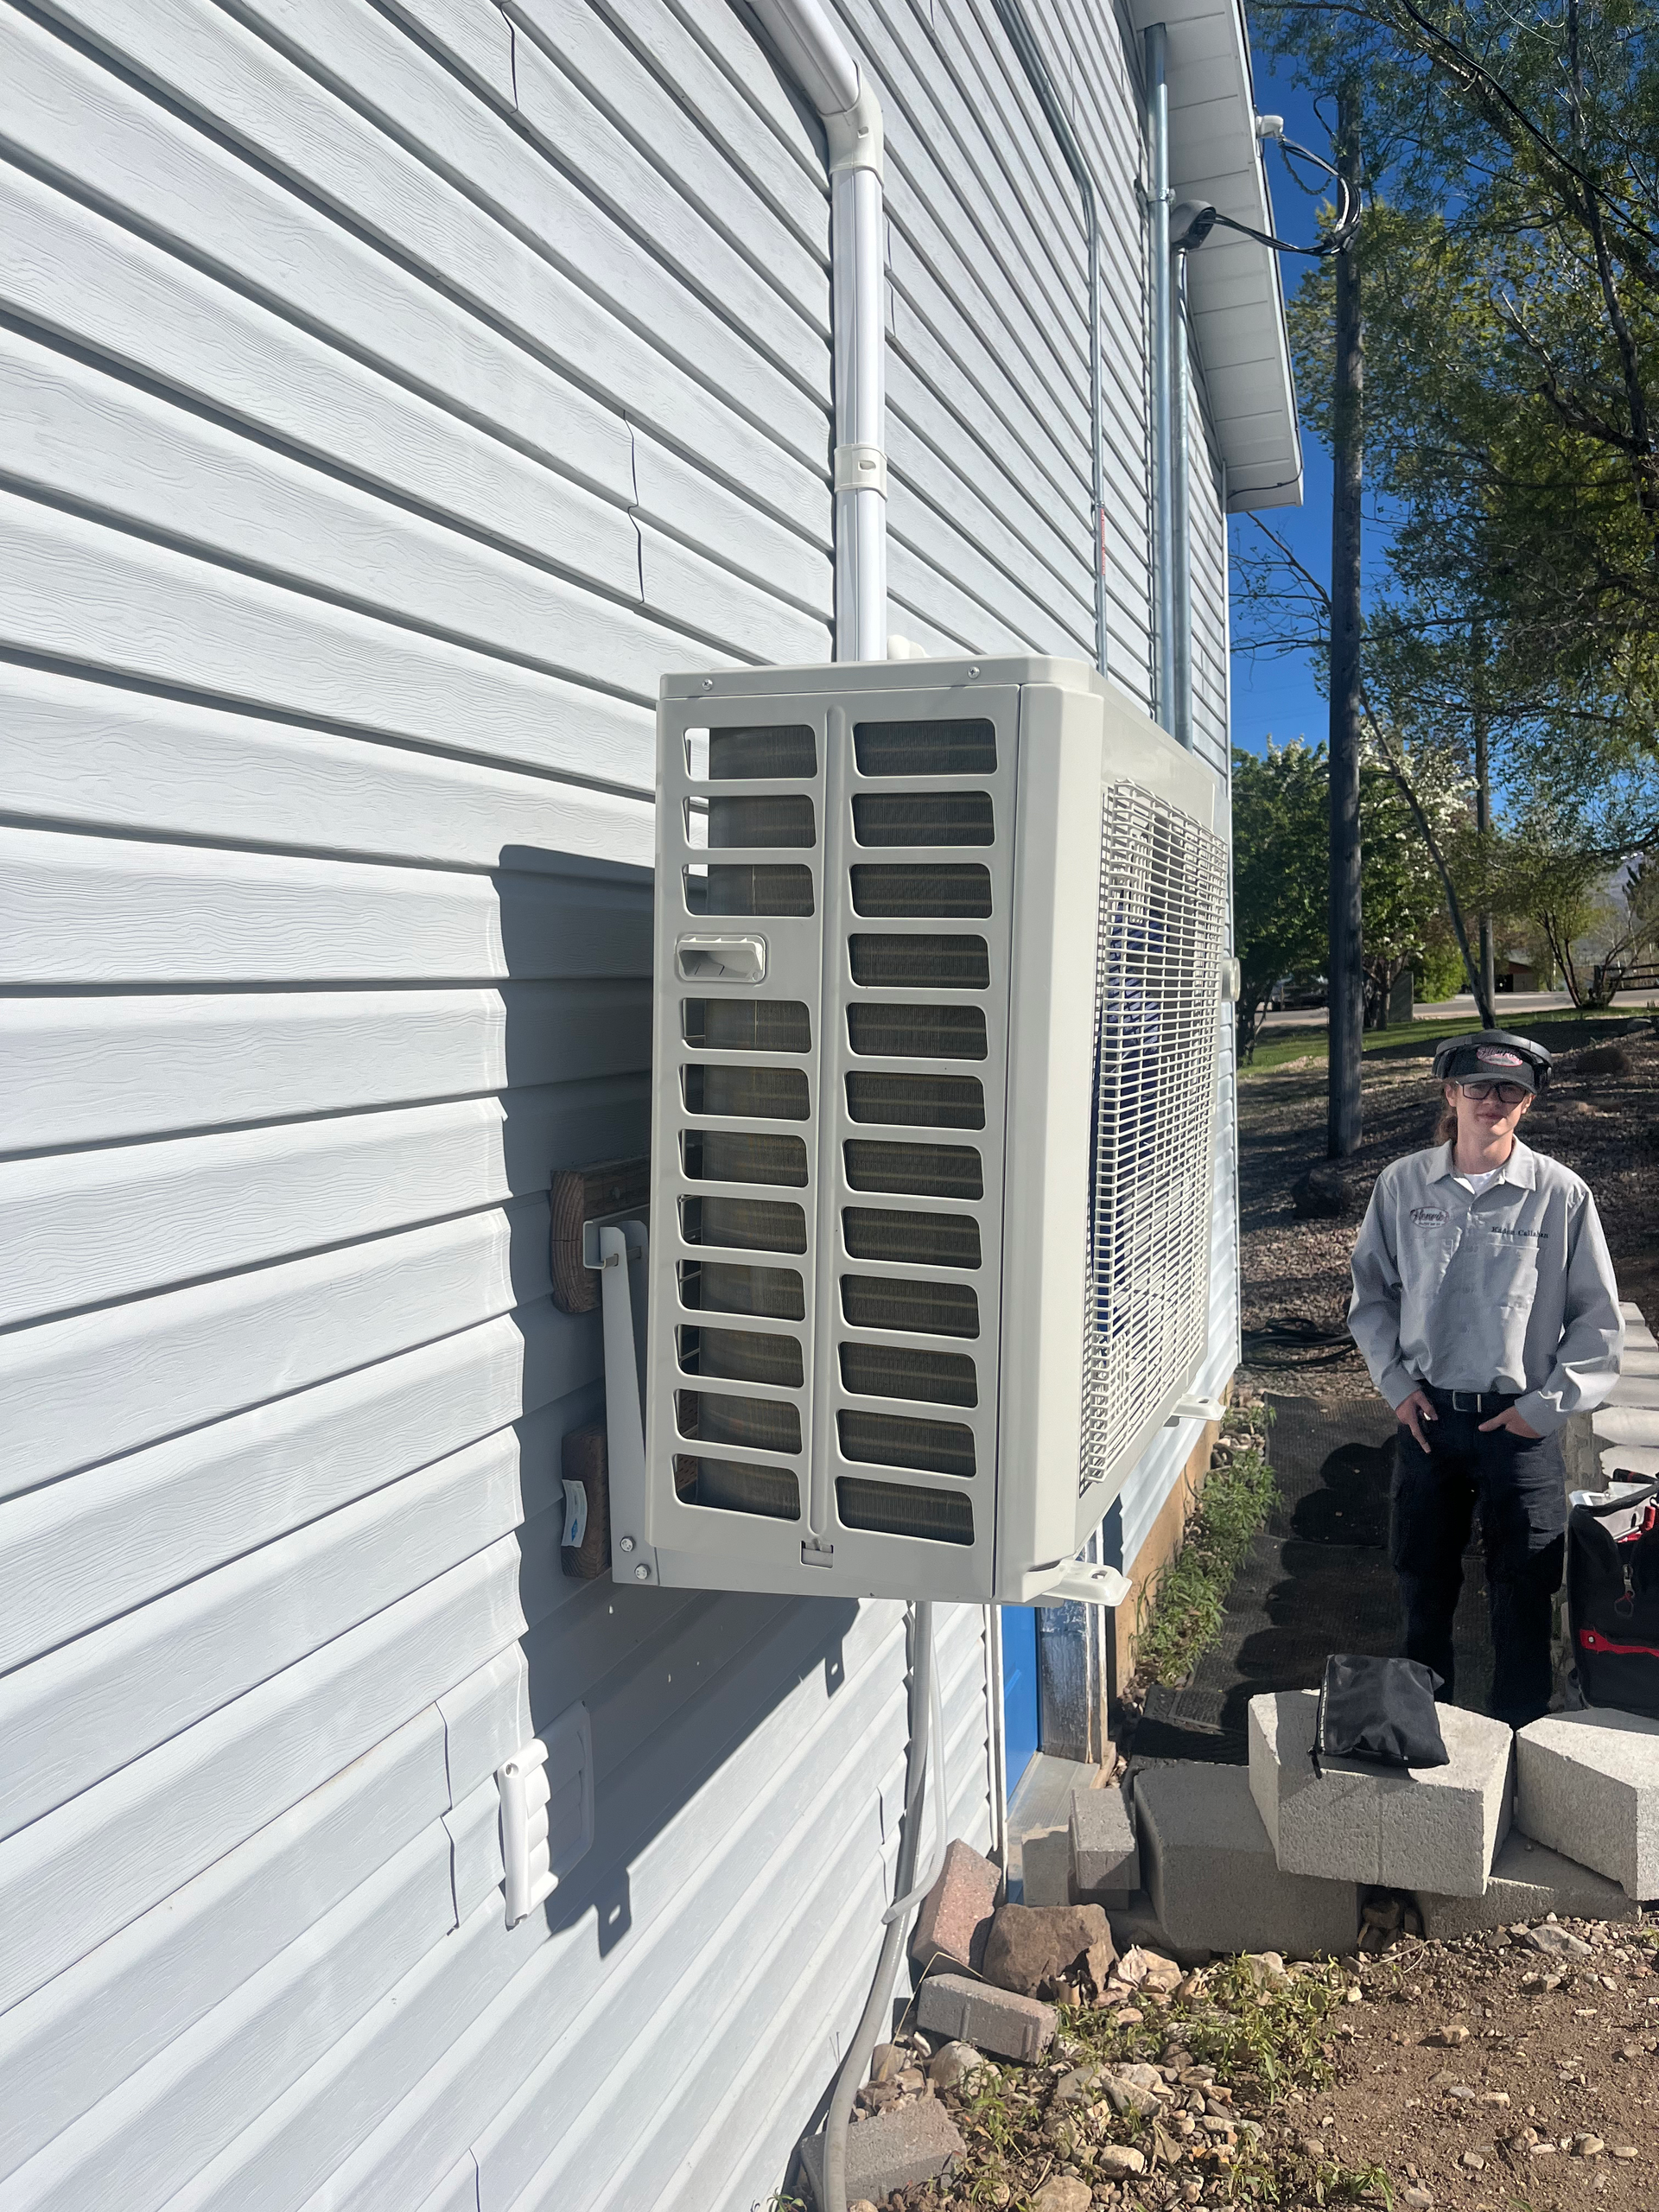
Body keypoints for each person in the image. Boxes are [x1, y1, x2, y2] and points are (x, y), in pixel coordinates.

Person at [1348, 1029, 1623, 1727]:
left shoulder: (1561, 1195)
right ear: (1451, 1093)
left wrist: (1548, 1406)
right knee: (1422, 1585)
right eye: (1478, 1087)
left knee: (1524, 1591)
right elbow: (1371, 1297)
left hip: (1520, 1428)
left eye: (1510, 1090)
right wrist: (1397, 1387)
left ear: (1526, 1105)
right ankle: (1423, 1734)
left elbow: (1597, 1320)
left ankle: (1519, 1738)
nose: (1493, 1102)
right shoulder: (1404, 1185)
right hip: (1430, 1420)